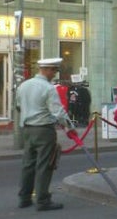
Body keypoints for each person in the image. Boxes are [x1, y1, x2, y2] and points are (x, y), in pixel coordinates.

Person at [17, 58, 76, 211]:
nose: (54, 74)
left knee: (28, 164)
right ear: (47, 70)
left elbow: (18, 106)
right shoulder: (48, 88)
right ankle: (42, 200)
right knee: (45, 165)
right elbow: (58, 111)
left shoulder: (24, 85)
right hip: (43, 129)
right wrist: (69, 127)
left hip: (28, 129)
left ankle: (24, 197)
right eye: (54, 71)